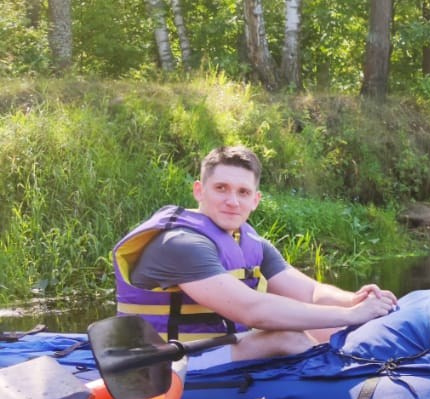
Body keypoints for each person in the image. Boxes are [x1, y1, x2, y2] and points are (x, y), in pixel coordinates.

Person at [113, 145, 398, 363]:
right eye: (221, 188)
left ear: (255, 200)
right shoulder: (181, 244)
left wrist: (356, 301)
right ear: (199, 191)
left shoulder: (251, 243)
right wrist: (351, 314)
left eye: (243, 192)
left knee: (333, 329)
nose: (232, 201)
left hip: (217, 349)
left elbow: (311, 293)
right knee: (287, 336)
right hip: (167, 361)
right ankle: (337, 388)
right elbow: (253, 311)